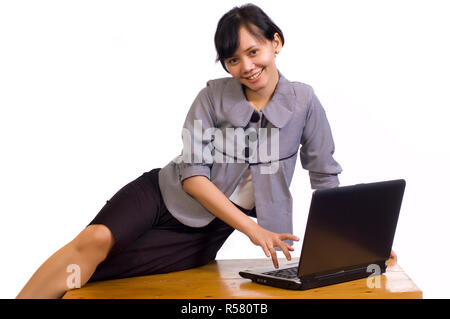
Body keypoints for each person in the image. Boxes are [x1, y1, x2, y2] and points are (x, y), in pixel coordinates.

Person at [17, 3, 358, 299]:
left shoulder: (304, 102)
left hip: (206, 232)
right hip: (160, 195)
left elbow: (324, 173)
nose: (247, 67)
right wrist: (252, 230)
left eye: (254, 52)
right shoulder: (211, 97)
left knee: (104, 272)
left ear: (276, 42)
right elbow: (193, 178)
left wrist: (350, 244)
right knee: (96, 240)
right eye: (233, 59)